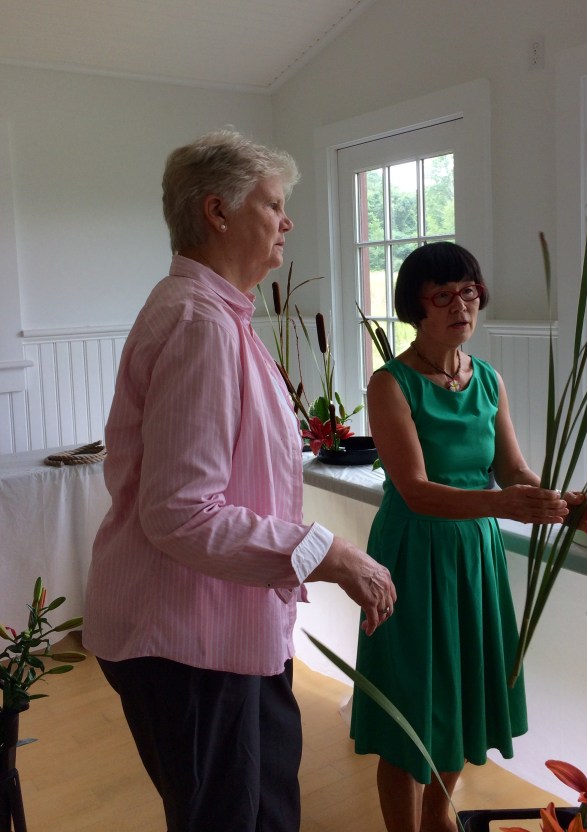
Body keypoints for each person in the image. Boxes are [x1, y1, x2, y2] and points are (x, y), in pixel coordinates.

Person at [82, 129, 396, 832]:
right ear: (218, 212)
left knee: (266, 811)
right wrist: (330, 553)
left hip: (227, 629)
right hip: (184, 640)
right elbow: (181, 513)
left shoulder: (221, 316)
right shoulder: (199, 323)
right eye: (274, 204)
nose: (287, 222)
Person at [349, 242, 587, 832]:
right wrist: (502, 504)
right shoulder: (390, 384)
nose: (461, 306)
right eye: (443, 295)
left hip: (475, 555)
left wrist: (559, 502)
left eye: (469, 292)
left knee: (459, 694)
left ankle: (439, 813)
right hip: (413, 553)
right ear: (416, 307)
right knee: (410, 703)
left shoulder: (487, 379)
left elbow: (512, 471)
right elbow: (415, 490)